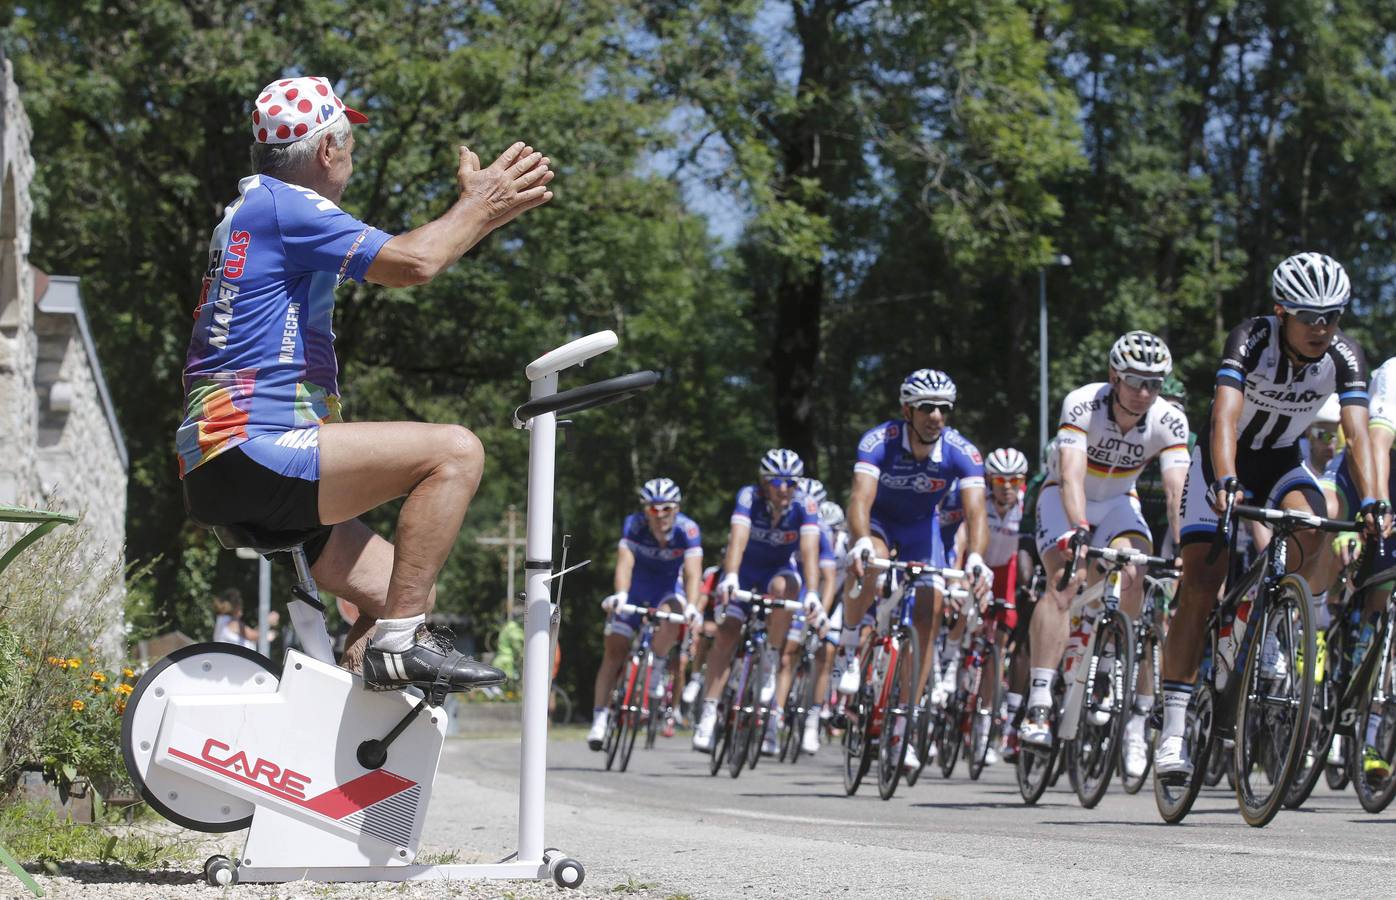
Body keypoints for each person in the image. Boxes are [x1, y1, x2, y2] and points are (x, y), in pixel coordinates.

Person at [177, 75, 554, 695]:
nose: (351, 161)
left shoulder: (254, 209)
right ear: (329, 151)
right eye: (349, 145)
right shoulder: (288, 206)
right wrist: (479, 209)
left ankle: (337, 738)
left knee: (406, 587)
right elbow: (415, 262)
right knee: (455, 452)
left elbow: (416, 253)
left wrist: (477, 216)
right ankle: (399, 651)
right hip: (251, 446)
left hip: (227, 457)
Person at [1156, 252, 1387, 780]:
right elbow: (1222, 417)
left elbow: (1356, 435)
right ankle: (1172, 733)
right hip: (1226, 457)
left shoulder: (1344, 355)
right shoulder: (1250, 339)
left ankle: (1268, 617)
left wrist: (1375, 499)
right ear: (1282, 311)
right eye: (1309, 316)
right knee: (1201, 582)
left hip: (1283, 459)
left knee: (1315, 526)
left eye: (1332, 316)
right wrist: (1226, 480)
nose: (1321, 328)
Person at [1023, 331, 1190, 782]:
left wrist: (1182, 544)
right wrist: (1078, 529)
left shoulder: (1168, 420)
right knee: (1067, 581)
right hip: (1064, 497)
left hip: (1118, 499)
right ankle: (1038, 701)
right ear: (1114, 377)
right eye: (1136, 381)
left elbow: (1177, 491)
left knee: (1134, 565)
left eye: (1154, 383)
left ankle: (1112, 660)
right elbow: (1073, 475)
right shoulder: (1083, 403)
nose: (1145, 392)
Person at [840, 369, 992, 774]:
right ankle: (850, 644)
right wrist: (858, 539)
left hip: (922, 531)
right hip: (878, 523)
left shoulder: (962, 450)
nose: (936, 416)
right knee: (870, 562)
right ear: (907, 410)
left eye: (944, 408)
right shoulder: (879, 441)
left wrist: (975, 556)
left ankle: (903, 724)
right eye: (927, 408)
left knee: (931, 608)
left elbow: (976, 511)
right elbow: (860, 498)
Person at [692, 449, 824, 754]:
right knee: (727, 634)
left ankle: (770, 660)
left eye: (790, 482)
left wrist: (813, 592)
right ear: (764, 482)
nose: (783, 488)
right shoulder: (749, 497)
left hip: (776, 571)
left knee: (788, 585)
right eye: (776, 481)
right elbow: (737, 536)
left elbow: (809, 551)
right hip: (745, 570)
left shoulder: (805, 504)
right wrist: (731, 575)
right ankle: (709, 712)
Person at [588, 478, 703, 750]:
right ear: (645, 510)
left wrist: (692, 606)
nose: (660, 515)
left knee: (671, 616)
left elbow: (693, 572)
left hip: (667, 588)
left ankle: (658, 664)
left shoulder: (688, 530)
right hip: (636, 588)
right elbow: (625, 564)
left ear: (676, 509)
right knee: (614, 650)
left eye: (666, 509)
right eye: (653, 509)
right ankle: (600, 718)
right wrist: (621, 595)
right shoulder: (635, 525)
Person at [212, 587, 278, 649]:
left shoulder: (222, 620)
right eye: (241, 607)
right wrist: (268, 622)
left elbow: (252, 634)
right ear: (236, 607)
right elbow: (254, 635)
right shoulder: (233, 623)